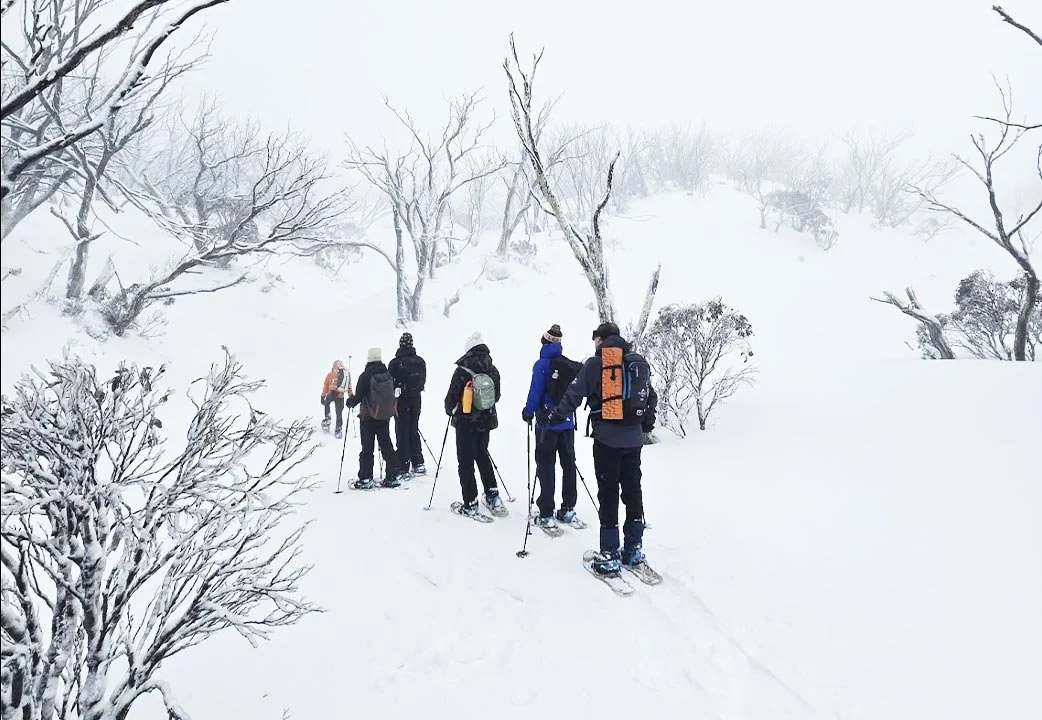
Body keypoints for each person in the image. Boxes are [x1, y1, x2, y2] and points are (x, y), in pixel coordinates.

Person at [550, 321, 658, 575]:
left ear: (600, 339)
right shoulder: (635, 363)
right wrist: (645, 426)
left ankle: (609, 553)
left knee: (608, 493)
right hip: (634, 440)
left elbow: (574, 394)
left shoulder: (596, 363)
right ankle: (633, 549)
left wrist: (556, 416)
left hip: (607, 439)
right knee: (633, 491)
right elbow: (651, 397)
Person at [521, 324, 581, 528]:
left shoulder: (542, 364)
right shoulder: (567, 365)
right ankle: (568, 508)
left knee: (546, 466)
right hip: (567, 423)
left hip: (546, 425)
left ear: (544, 342)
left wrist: (528, 412)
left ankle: (546, 512)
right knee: (568, 465)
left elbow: (535, 392)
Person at [444, 331, 503, 517]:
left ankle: (470, 502)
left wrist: (451, 410)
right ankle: (492, 494)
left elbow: (451, 399)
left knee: (466, 461)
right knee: (482, 455)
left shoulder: (462, 370)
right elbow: (497, 396)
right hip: (486, 422)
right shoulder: (492, 369)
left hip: (465, 422)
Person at [345, 347, 402, 489]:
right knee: (386, 446)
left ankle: (365, 478)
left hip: (368, 418)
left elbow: (358, 397)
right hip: (384, 417)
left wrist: (350, 401)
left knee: (367, 449)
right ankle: (392, 476)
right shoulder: (387, 374)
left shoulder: (365, 376)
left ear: (369, 358)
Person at [388, 332, 427, 475]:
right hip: (416, 399)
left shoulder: (395, 363)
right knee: (413, 428)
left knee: (401, 430)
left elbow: (389, 383)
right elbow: (423, 380)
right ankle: (418, 462)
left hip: (400, 400)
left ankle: (403, 465)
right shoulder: (420, 361)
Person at [321, 359, 349, 438]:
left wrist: (323, 395)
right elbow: (348, 386)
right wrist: (351, 397)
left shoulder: (330, 374)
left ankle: (327, 419)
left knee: (327, 404)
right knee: (339, 412)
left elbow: (326, 385)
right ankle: (338, 430)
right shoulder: (345, 375)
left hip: (331, 394)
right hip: (340, 396)